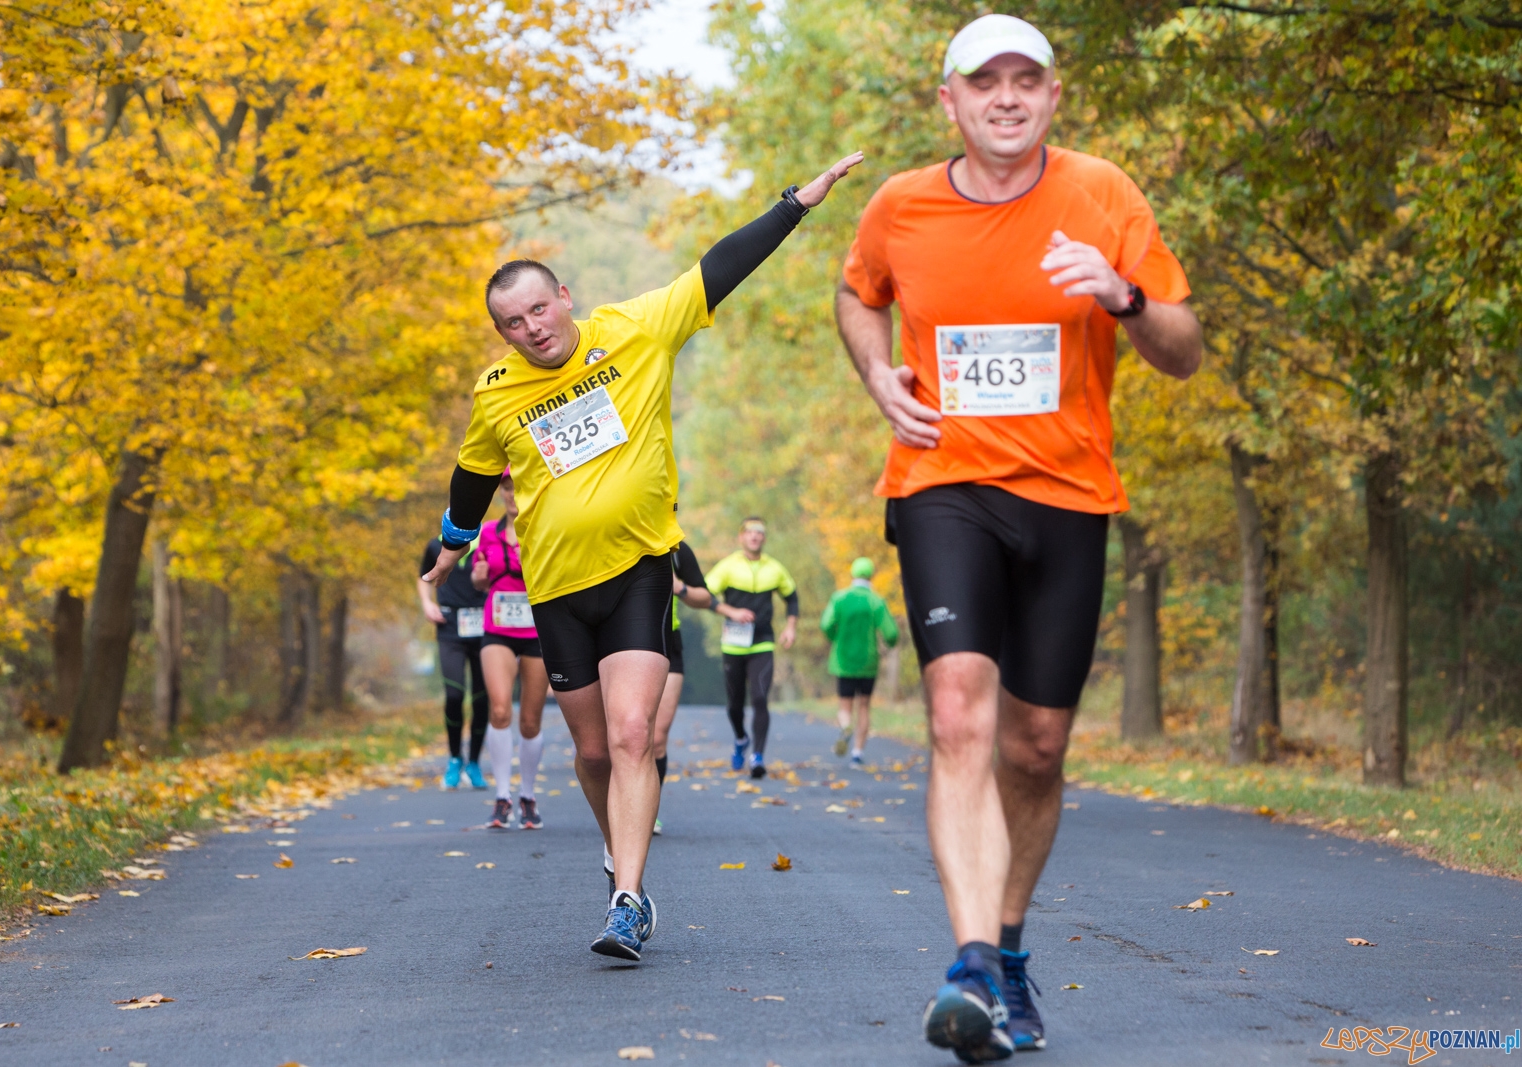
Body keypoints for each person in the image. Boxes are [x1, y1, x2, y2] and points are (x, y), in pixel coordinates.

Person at [834, 14, 1201, 1062]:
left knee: (1035, 749)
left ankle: (1008, 944)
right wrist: (876, 373)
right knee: (958, 713)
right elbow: (857, 296)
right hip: (943, 481)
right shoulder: (898, 203)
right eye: (982, 81)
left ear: (1051, 96)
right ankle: (967, 964)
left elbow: (1182, 346)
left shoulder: (1102, 193)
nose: (1004, 97)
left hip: (1070, 496)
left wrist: (1122, 297)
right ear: (947, 99)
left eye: (1024, 80)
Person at [422, 151, 863, 962]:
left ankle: (628, 899)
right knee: (592, 751)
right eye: (512, 325)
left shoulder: (636, 328)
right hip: (555, 588)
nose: (531, 330)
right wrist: (449, 544)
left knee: (631, 733)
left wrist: (795, 203)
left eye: (537, 310)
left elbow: (718, 268)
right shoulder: (498, 392)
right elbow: (473, 479)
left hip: (638, 568)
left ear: (564, 297)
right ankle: (617, 849)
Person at [472, 470, 548, 830]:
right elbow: (476, 579)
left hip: (537, 629)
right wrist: (480, 574)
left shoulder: (546, 524)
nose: (512, 492)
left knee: (530, 720)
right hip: (498, 627)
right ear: (500, 490)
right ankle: (502, 797)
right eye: (506, 486)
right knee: (499, 710)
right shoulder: (488, 532)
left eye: (518, 484)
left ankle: (528, 796)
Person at [705, 518, 799, 780]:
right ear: (741, 537)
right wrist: (731, 611)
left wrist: (790, 627)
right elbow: (705, 596)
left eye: (760, 533)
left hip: (762, 641)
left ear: (764, 539)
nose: (755, 537)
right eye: (750, 532)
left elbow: (792, 598)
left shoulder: (775, 568)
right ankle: (740, 737)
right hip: (733, 643)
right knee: (735, 705)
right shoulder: (727, 566)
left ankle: (757, 756)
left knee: (759, 698)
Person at [650, 540, 715, 835]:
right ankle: (617, 808)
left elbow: (706, 597)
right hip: (618, 646)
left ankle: (647, 811)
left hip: (667, 643)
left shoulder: (676, 548)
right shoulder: (615, 533)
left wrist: (681, 588)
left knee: (657, 738)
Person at [416, 538, 490, 791]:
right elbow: (423, 576)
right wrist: (427, 603)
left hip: (483, 627)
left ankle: (475, 763)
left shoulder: (487, 542)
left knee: (481, 698)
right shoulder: (436, 546)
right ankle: (455, 758)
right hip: (449, 628)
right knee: (454, 694)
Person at [819, 556, 899, 766]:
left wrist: (834, 638)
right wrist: (889, 645)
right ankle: (857, 752)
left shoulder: (839, 598)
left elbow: (826, 624)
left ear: (852, 574)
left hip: (843, 660)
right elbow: (891, 633)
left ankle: (846, 726)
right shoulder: (875, 601)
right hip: (868, 661)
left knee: (845, 705)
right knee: (864, 706)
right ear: (871, 575)